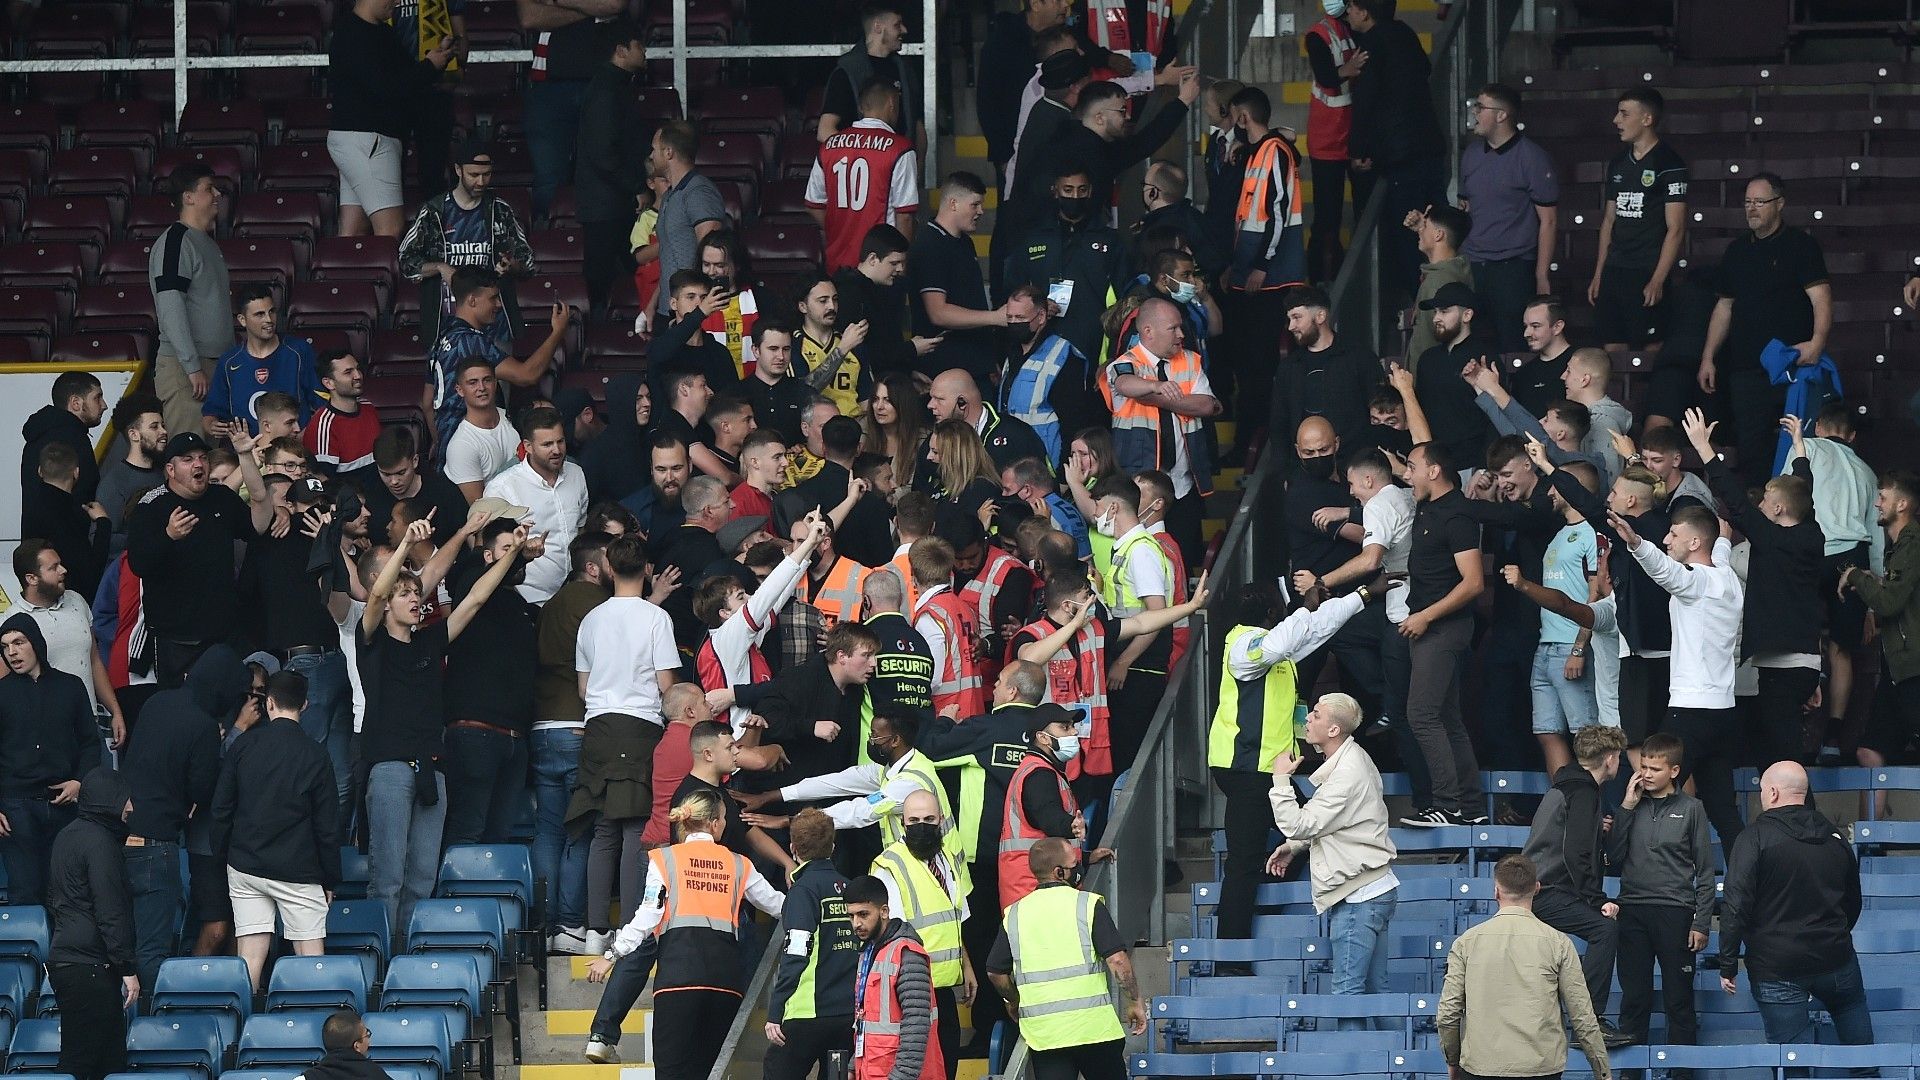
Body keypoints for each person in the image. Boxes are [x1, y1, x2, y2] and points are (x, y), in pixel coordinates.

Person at [358, 517, 524, 941]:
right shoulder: (372, 641)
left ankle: (408, 967)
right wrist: (405, 548)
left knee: (420, 879)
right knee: (388, 878)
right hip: (392, 767)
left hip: (433, 769)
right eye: (406, 593)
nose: (415, 599)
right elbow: (376, 594)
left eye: (418, 592)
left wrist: (512, 555)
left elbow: (473, 600)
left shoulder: (430, 641)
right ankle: (381, 969)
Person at [586, 789, 785, 1080]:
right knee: (707, 1072)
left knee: (670, 1072)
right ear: (715, 824)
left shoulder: (665, 860)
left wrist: (612, 955)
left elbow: (648, 915)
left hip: (677, 983)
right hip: (725, 984)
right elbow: (779, 905)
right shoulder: (739, 863)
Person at [1686, 409, 1824, 769]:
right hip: (1802, 661)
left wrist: (1703, 447)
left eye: (1765, 501)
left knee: (1783, 757)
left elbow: (1734, 501)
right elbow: (1802, 491)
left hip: (1783, 666)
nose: (1759, 505)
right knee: (1777, 752)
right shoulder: (1811, 532)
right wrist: (1799, 451)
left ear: (1777, 508)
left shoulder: (1773, 539)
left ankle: (1799, 820)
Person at [1612, 500, 1745, 851]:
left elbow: (1666, 572)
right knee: (1724, 812)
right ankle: (1747, 894)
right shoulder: (1727, 577)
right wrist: (1724, 538)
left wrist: (1636, 543)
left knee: (1653, 800)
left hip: (1689, 711)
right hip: (1724, 713)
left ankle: (1649, 886)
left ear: (1696, 543)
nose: (1667, 540)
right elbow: (1719, 547)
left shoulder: (1696, 581)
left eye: (1673, 534)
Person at [1717, 761, 1873, 1046]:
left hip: (1776, 965)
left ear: (1773, 793)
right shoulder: (1836, 836)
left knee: (1793, 1064)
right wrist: (1834, 934)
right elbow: (1853, 901)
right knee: (1863, 1056)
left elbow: (1735, 906)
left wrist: (1727, 963)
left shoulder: (1753, 838)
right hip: (1836, 958)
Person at [1267, 693, 1400, 1013]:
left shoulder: (1346, 771)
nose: (1308, 718)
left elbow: (1300, 823)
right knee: (1375, 992)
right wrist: (1295, 848)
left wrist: (1280, 779)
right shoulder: (1353, 757)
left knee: (1346, 996)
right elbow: (1335, 823)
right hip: (1372, 887)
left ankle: (1355, 1063)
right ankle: (1391, 1063)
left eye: (1315, 714)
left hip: (1359, 895)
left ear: (1333, 730)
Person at [212, 670, 342, 990]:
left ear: (269, 703)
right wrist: (329, 877)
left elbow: (221, 809)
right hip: (298, 869)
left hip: (245, 864)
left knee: (251, 959)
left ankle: (240, 1032)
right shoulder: (316, 754)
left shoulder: (243, 746)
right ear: (305, 705)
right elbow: (327, 826)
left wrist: (225, 855)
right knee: (311, 960)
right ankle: (312, 1028)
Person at [1698, 173, 1832, 485]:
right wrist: (1708, 356)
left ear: (1780, 203)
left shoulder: (1802, 246)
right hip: (1746, 367)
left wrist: (1817, 343)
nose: (1752, 208)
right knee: (1752, 448)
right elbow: (1724, 307)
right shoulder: (1736, 251)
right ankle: (1759, 512)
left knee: (1800, 443)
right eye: (1747, 202)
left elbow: (1821, 298)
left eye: (1760, 201)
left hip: (1792, 363)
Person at [1438, 855, 1612, 1080]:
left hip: (1481, 1067)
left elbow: (1448, 1013)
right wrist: (1603, 1072)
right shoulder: (1558, 943)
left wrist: (1452, 1061)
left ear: (1496, 891)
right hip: (1541, 1067)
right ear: (1537, 888)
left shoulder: (1467, 942)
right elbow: (1582, 1015)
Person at [988, 838, 1145, 1080]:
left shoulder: (1014, 914)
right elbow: (1117, 961)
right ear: (1059, 872)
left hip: (1046, 1037)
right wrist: (1134, 1002)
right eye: (1074, 864)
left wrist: (1014, 1000)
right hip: (1095, 1030)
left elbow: (995, 972)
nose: (1078, 868)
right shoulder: (1087, 904)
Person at [127, 431, 273, 686]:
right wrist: (169, 536)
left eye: (202, 458)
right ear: (170, 470)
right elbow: (138, 564)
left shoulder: (222, 498)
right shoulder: (151, 506)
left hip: (224, 635)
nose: (198, 464)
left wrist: (246, 457)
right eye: (188, 459)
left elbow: (258, 523)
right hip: (177, 641)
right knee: (184, 714)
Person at [1604, 731, 1715, 1055]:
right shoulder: (1629, 804)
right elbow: (1612, 859)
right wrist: (1626, 805)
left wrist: (1702, 923)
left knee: (1679, 999)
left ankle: (1683, 1072)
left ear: (1674, 771)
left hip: (1676, 912)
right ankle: (1629, 1073)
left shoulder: (1693, 808)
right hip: (1632, 910)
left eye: (1654, 768)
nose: (1646, 774)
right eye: (1644, 767)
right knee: (1634, 998)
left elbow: (1706, 871)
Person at [1516, 722, 1628, 1041]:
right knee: (1605, 928)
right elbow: (1576, 854)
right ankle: (1588, 1025)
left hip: (1540, 889)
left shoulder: (1570, 784)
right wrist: (1596, 899)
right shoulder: (1583, 791)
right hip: (1544, 891)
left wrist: (1596, 829)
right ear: (1610, 759)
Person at [1396, 440, 1487, 828]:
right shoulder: (1429, 507)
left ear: (1434, 471)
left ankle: (1447, 805)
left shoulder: (1457, 515)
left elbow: (1473, 583)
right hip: (1431, 626)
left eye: (1412, 467)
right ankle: (1471, 808)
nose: (1406, 474)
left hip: (1443, 628)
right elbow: (1424, 443)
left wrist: (1426, 617)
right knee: (1447, 717)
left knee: (1421, 714)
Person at [1098, 298, 1219, 562]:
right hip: (1137, 491)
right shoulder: (1124, 363)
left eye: (1181, 328)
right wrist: (1155, 386)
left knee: (1183, 561)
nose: (1181, 334)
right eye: (1173, 329)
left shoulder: (1189, 360)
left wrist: (1157, 398)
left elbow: (1208, 405)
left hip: (1183, 486)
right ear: (1148, 331)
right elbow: (1126, 384)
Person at [1344, 0, 1447, 297]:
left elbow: (1365, 100)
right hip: (1429, 142)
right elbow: (1425, 68)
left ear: (1365, 12)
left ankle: (1415, 299)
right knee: (1438, 223)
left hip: (1400, 151)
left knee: (1408, 230)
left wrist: (1357, 149)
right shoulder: (1404, 33)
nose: (1348, 12)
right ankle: (1445, 286)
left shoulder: (1371, 44)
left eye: (1351, 6)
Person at [870, 789, 974, 1078]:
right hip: (911, 991)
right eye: (914, 819)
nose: (922, 826)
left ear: (941, 820)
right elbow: (890, 935)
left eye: (929, 818)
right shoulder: (889, 865)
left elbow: (955, 918)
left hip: (944, 988)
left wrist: (966, 965)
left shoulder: (948, 859)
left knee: (947, 1068)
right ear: (902, 823)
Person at [327, 0, 454, 237]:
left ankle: (347, 275)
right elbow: (385, 88)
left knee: (353, 231)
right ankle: (381, 275)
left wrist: (433, 60)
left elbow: (407, 76)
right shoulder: (353, 34)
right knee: (391, 229)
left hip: (359, 140)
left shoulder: (381, 32)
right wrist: (430, 66)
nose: (396, 1)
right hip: (369, 141)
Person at [0, 612, 101, 907]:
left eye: (19, 642)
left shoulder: (70, 686)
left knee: (68, 893)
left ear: (36, 643)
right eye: (5, 647)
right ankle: (27, 954)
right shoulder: (1, 693)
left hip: (64, 804)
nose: (12, 652)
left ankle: (65, 954)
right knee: (25, 893)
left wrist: (80, 782)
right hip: (16, 808)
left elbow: (90, 742)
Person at [45, 767, 137, 1080]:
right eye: (125, 798)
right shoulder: (100, 843)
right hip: (91, 965)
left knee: (108, 1061)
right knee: (82, 1062)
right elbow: (111, 909)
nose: (130, 807)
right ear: (109, 800)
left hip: (67, 958)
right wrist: (127, 967)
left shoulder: (67, 836)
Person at [1458, 83, 1560, 354]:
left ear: (1501, 115)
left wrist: (1541, 274)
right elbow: (1465, 207)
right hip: (1473, 265)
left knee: (1513, 346)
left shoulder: (1532, 158)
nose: (1475, 113)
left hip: (1512, 267)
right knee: (1472, 347)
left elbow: (1548, 221)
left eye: (1481, 107)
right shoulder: (1470, 155)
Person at [400, 141, 534, 343]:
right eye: (474, 175)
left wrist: (512, 266)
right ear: (458, 170)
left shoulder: (500, 210)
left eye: (487, 174)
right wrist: (439, 267)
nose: (481, 182)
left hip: (497, 327)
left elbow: (528, 263)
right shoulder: (434, 211)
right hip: (446, 327)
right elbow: (405, 260)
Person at [423, 268, 567, 453]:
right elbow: (527, 375)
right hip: (474, 445)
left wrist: (442, 443)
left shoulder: (441, 337)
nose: (499, 304)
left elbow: (427, 403)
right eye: (493, 298)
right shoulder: (471, 341)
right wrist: (558, 333)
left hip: (450, 444)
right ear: (472, 300)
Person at [1590, 87, 1688, 354]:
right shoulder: (1618, 162)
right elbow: (1609, 219)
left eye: (1624, 114)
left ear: (1647, 119)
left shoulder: (1669, 163)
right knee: (1612, 345)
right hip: (1615, 268)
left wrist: (1657, 279)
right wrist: (1600, 272)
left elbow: (1676, 228)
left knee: (1651, 348)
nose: (1616, 120)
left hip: (1646, 268)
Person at [1003, 163, 1130, 364]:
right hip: (1041, 340)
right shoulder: (1032, 239)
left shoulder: (1110, 240)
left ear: (1090, 192)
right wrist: (1038, 304)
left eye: (1082, 190)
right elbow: (1012, 290)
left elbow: (1126, 296)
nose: (1075, 196)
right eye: (1068, 190)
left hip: (1094, 342)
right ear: (1055, 191)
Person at [765, 809, 857, 1080]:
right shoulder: (851, 890)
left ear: (793, 849)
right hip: (846, 1016)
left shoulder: (802, 890)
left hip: (805, 1014)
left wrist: (776, 1009)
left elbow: (796, 951)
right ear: (833, 847)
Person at [1846, 470, 1920, 793]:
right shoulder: (1900, 547)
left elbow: (1890, 602)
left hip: (1914, 666)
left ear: (1902, 504)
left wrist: (1854, 577)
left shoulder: (1912, 543)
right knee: (1869, 750)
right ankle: (1870, 841)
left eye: (1883, 497)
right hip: (1898, 668)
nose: (1877, 503)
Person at [148, 163, 231, 443]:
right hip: (187, 370)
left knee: (214, 459)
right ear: (188, 197)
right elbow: (171, 307)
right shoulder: (176, 241)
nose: (217, 194)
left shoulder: (205, 242)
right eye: (209, 188)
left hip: (210, 365)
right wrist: (192, 366)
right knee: (188, 453)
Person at [575, 23, 652, 316]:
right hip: (605, 206)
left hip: (610, 202)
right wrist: (637, 187)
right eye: (638, 45)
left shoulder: (615, 86)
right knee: (602, 280)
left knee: (622, 272)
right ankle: (597, 335)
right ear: (621, 51)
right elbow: (603, 153)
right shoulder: (607, 91)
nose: (644, 51)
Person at [909, 173, 1016, 380]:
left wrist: (986, 356)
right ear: (953, 203)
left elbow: (972, 301)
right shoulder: (930, 244)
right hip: (945, 365)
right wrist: (995, 317)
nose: (980, 211)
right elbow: (938, 313)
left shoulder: (965, 242)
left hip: (974, 360)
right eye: (974, 205)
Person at [809, 78, 921, 274]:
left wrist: (840, 230)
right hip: (882, 267)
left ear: (861, 108)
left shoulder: (829, 146)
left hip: (838, 263)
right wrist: (901, 266)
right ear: (892, 104)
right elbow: (905, 217)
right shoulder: (900, 149)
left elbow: (814, 204)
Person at [482, 406, 590, 604]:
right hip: (527, 600)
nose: (557, 450)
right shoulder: (502, 488)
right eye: (547, 444)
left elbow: (580, 529)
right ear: (528, 446)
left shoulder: (577, 474)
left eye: (560, 441)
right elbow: (489, 551)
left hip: (573, 595)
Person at [843, 871, 943, 1080]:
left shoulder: (907, 953)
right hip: (874, 1070)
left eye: (863, 914)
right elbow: (869, 1019)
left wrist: (902, 1076)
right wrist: (854, 1063)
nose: (856, 923)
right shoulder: (870, 952)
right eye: (851, 916)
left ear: (884, 911)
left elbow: (916, 1023)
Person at [642, 121, 730, 333]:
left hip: (693, 315)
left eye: (655, 149)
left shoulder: (698, 192)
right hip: (671, 310)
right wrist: (654, 302)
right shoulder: (671, 195)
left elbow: (712, 255)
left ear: (669, 152)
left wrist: (696, 311)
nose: (652, 156)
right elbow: (670, 256)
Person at [203, 286, 322, 436]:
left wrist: (303, 437)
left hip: (294, 450)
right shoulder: (229, 361)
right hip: (247, 453)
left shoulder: (299, 351)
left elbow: (323, 405)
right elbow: (210, 414)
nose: (268, 319)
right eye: (259, 314)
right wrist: (212, 425)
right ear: (242, 320)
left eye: (271, 312)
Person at [1303, 1, 1366, 283]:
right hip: (1327, 137)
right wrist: (1347, 69)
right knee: (1327, 219)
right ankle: (1321, 279)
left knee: (1365, 212)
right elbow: (1326, 76)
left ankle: (1363, 275)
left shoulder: (1359, 28)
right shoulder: (1318, 34)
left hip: (1358, 135)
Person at [1277, 285, 1380, 445]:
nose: (1291, 326)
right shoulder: (1289, 367)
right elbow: (1279, 424)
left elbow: (1378, 411)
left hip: (1354, 462)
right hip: (1302, 464)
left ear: (1320, 316)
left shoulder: (1360, 358)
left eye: (1297, 317)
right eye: (1289, 319)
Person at [819, 2, 924, 145]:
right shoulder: (847, 71)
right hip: (860, 164)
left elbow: (917, 124)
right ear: (878, 26)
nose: (904, 30)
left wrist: (919, 163)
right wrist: (862, 156)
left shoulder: (905, 70)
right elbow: (825, 131)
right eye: (897, 25)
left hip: (901, 163)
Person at [21, 443, 109, 604]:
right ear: (76, 472)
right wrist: (103, 523)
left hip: (37, 598)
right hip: (70, 603)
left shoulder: (31, 508)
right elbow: (91, 571)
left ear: (40, 471)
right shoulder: (70, 514)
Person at [21, 370, 105, 507]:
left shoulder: (39, 435)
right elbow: (81, 498)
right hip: (68, 528)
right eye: (98, 398)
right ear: (76, 403)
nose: (104, 405)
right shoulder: (73, 439)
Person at [1404, 204, 1474, 363]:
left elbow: (1430, 341)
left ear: (1438, 235)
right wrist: (1426, 228)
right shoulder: (1454, 271)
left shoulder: (1438, 281)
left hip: (1428, 379)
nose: (1420, 230)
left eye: (1425, 226)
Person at [97, 393, 168, 542]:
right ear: (134, 434)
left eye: (163, 425)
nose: (163, 432)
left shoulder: (164, 473)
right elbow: (104, 538)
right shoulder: (114, 483)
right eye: (154, 427)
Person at [304, 350, 382, 482]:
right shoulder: (323, 425)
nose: (358, 375)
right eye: (348, 372)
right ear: (329, 383)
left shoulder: (368, 407)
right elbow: (324, 482)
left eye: (358, 369)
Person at [1510, 297, 1575, 420]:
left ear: (1557, 327)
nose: (1526, 333)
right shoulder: (1523, 374)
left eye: (1535, 326)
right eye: (1526, 326)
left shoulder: (1581, 363)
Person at [302, 1010, 391, 1080]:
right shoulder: (377, 1075)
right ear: (357, 1046)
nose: (369, 1040)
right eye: (367, 1034)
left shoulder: (306, 1078)